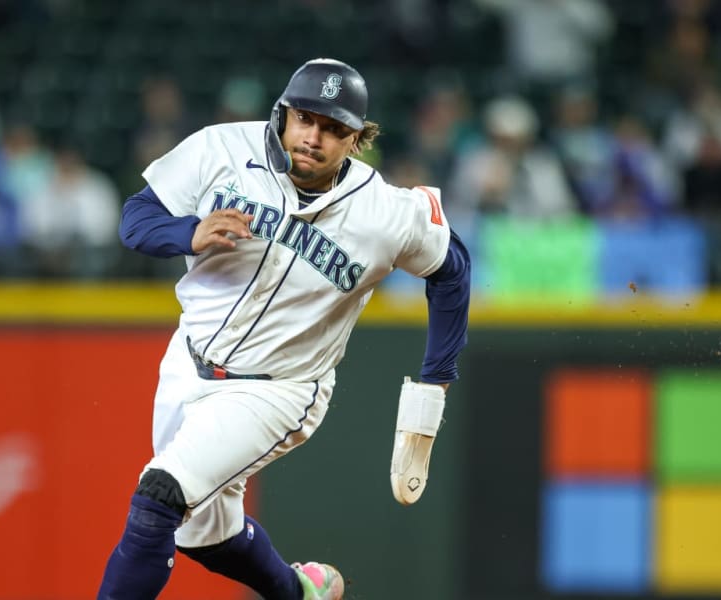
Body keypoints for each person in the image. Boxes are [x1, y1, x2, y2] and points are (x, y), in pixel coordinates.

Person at [96, 58, 471, 600]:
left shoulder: (387, 212)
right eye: (305, 119)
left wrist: (437, 376)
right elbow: (136, 220)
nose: (314, 137)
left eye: (334, 128)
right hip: (189, 360)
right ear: (284, 115)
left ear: (357, 139)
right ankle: (298, 593)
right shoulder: (220, 150)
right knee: (203, 537)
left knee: (158, 496)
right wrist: (189, 232)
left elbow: (452, 268)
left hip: (278, 390)